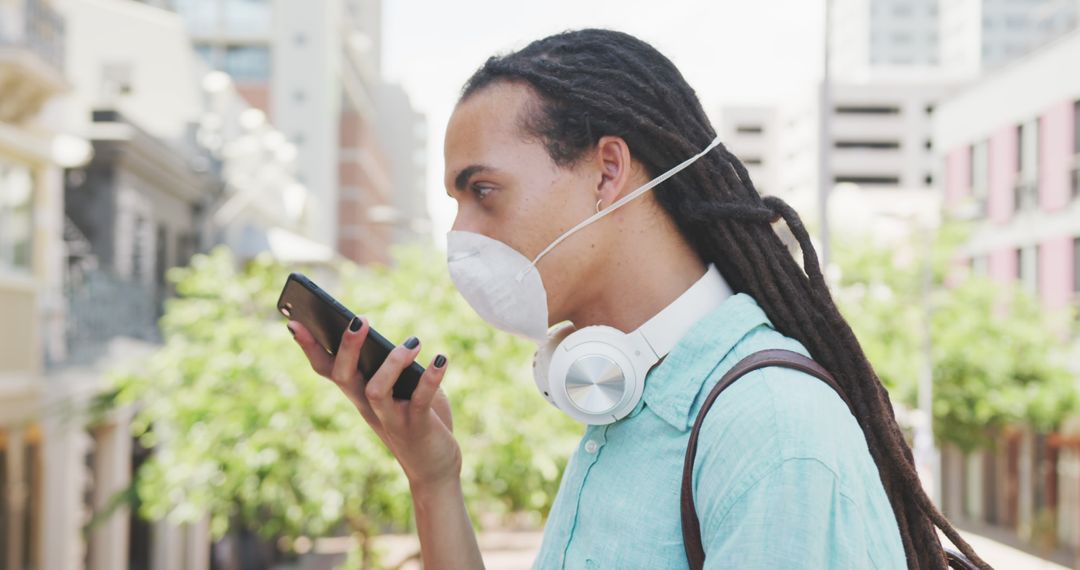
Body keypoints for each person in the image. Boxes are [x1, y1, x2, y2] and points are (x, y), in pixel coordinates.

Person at [288, 29, 989, 570]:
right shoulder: (628, 407)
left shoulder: (771, 431)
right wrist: (431, 478)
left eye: (484, 192)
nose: (458, 235)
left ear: (608, 171)